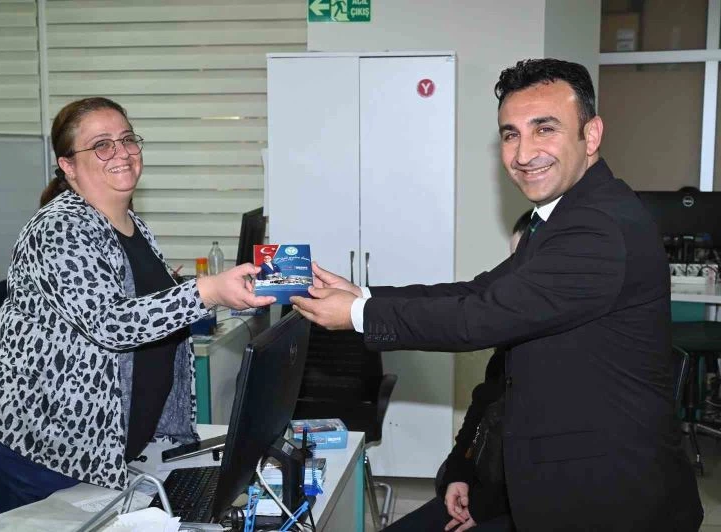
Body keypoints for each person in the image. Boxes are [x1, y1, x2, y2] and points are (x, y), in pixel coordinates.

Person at [291, 59, 704, 531]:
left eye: (544, 129)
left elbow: (480, 318)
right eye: (511, 134)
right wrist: (364, 292)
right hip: (556, 478)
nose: (523, 153)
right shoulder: (565, 216)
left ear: (590, 135)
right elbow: (481, 290)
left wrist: (358, 314)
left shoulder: (598, 228)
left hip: (612, 497)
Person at [0, 97, 275, 513]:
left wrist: (219, 289)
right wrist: (208, 291)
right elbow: (109, 323)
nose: (122, 152)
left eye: (127, 139)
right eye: (101, 145)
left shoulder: (134, 226)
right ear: (68, 165)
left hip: (108, 447)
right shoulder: (59, 227)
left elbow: (144, 308)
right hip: (42, 444)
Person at [386, 210, 532, 532]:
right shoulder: (510, 342)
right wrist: (458, 475)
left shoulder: (566, 356)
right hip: (480, 489)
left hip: (521, 507)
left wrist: (483, 507)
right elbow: (481, 411)